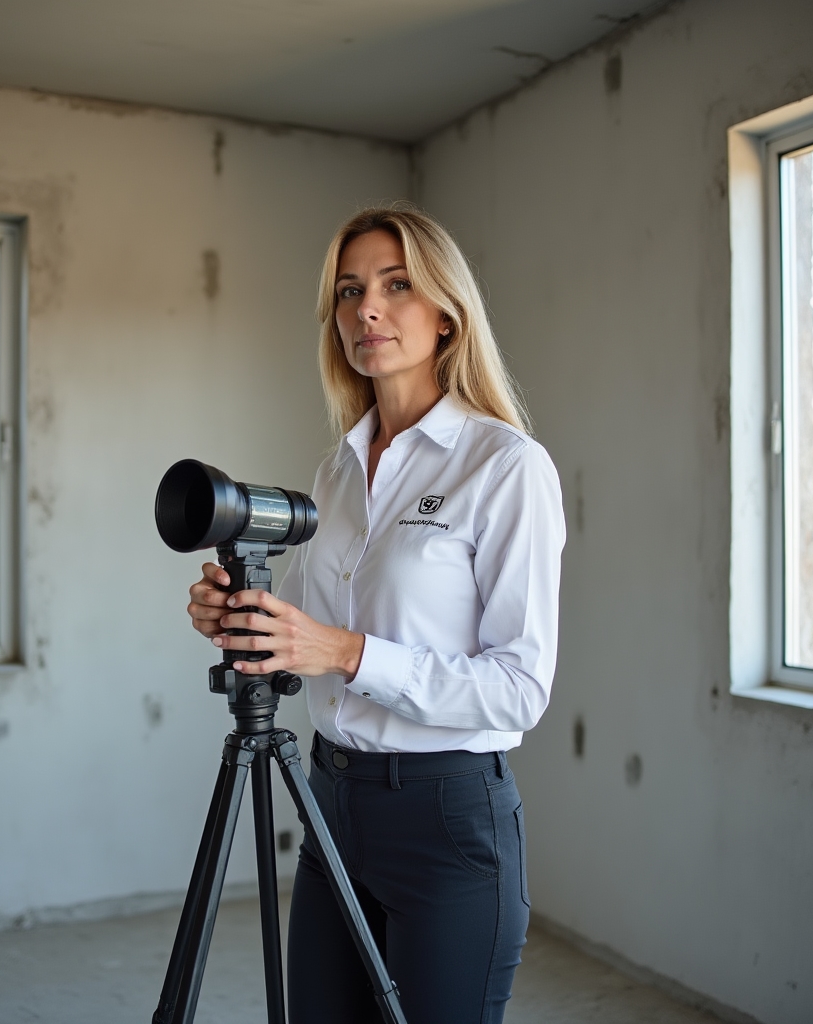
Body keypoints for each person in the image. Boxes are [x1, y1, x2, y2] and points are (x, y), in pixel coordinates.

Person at [186, 205, 565, 1024]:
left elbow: (519, 689)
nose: (368, 308)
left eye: (397, 286)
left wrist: (348, 653)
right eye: (350, 290)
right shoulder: (336, 471)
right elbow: (305, 636)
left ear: (446, 315)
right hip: (331, 803)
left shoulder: (505, 467)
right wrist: (246, 620)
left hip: (447, 822)